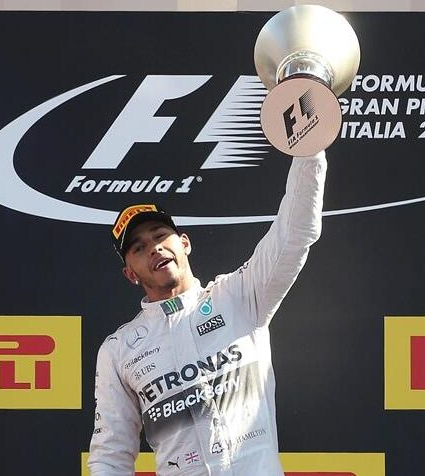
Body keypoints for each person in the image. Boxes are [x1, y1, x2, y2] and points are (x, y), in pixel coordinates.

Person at [88, 151, 327, 475]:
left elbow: (293, 235)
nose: (155, 248)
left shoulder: (238, 295)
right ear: (130, 273)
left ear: (184, 243)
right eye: (139, 248)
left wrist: (309, 152)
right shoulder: (119, 350)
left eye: (160, 235)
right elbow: (111, 456)